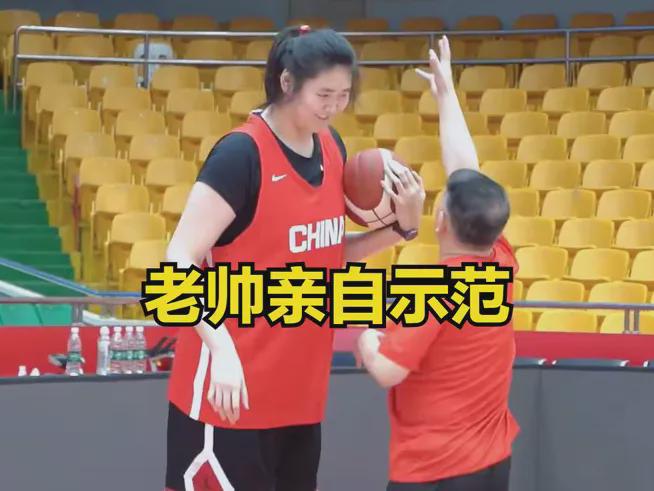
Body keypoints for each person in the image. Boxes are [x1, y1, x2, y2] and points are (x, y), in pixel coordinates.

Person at [163, 25, 426, 491]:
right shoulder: (240, 154)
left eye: (343, 95)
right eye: (323, 94)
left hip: (299, 398)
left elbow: (326, 254)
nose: (334, 106)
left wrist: (401, 228)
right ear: (287, 83)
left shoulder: (332, 147)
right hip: (229, 397)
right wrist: (221, 349)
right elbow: (177, 261)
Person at [356, 36, 520, 491]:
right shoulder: (499, 262)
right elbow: (466, 171)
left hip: (435, 471)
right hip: (492, 463)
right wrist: (446, 94)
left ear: (441, 221)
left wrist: (367, 337)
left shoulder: (430, 292)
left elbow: (388, 370)